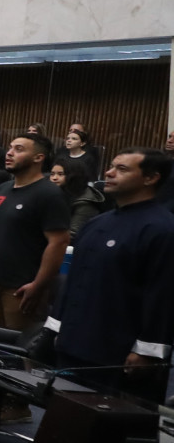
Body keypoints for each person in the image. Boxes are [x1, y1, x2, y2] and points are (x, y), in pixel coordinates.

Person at [48, 148, 174, 398]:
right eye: (111, 166)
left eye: (122, 169)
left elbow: (163, 295)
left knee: (104, 427)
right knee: (62, 415)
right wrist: (57, 327)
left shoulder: (163, 229)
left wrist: (148, 351)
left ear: (150, 178)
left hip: (117, 352)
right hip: (74, 340)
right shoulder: (97, 223)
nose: (109, 173)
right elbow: (74, 280)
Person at [0, 133, 68, 331]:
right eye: (10, 148)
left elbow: (58, 243)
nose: (9, 153)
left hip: (20, 287)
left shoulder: (49, 193)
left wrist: (38, 285)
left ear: (38, 158)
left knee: (17, 352)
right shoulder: (1, 189)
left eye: (19, 149)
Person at [50, 160, 107, 241]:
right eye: (52, 174)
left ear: (74, 176)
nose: (54, 178)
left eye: (60, 174)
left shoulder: (86, 203)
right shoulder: (54, 193)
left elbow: (73, 234)